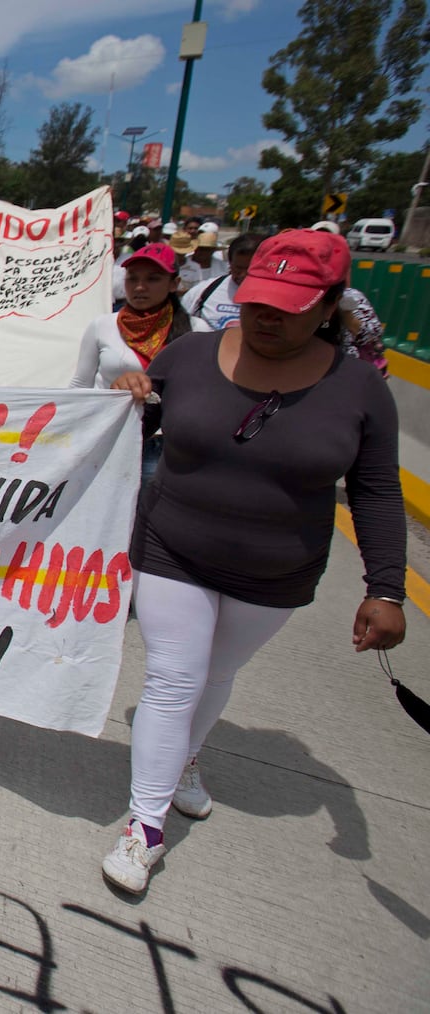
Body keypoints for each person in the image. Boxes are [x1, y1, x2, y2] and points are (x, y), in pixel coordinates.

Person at [102, 228, 407, 894]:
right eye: (258, 299)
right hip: (170, 547)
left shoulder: (360, 390)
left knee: (217, 673)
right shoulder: (188, 356)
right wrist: (124, 390)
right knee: (174, 678)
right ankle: (145, 824)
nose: (265, 316)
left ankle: (186, 759)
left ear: (330, 305)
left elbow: (377, 489)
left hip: (275, 571)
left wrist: (387, 589)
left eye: (288, 306)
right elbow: (126, 429)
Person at [72, 242, 209, 483]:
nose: (139, 287)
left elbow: (206, 394)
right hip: (108, 439)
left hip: (167, 447)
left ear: (174, 284)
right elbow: (80, 385)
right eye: (132, 278)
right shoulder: (102, 325)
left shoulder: (197, 332)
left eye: (153, 279)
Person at [311, 222, 387, 375]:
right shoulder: (297, 296)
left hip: (345, 374)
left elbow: (372, 336)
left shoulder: (352, 297)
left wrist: (346, 312)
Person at [183, 232, 265, 329]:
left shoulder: (275, 297)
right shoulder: (203, 291)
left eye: (250, 269)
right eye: (238, 268)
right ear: (230, 263)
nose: (243, 275)